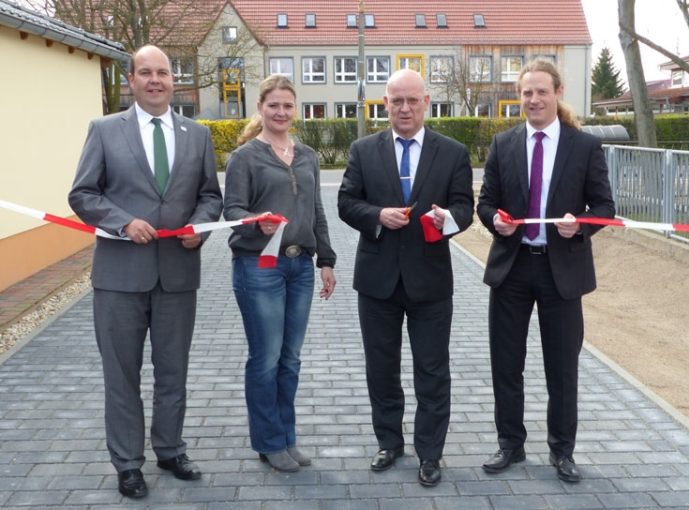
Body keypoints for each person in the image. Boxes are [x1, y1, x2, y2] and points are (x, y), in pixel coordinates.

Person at [68, 45, 223, 498]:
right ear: (130, 80)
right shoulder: (103, 130)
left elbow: (211, 195)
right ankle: (128, 462)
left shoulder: (196, 134)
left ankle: (171, 449)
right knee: (122, 374)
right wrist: (122, 221)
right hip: (119, 276)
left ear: (173, 80)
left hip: (178, 273)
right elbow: (83, 194)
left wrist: (201, 227)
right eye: (146, 73)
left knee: (173, 371)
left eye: (163, 73)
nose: (155, 80)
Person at [477, 59, 615, 483]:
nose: (532, 99)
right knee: (506, 364)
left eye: (540, 91)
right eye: (525, 93)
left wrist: (580, 226)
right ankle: (510, 444)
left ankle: (562, 451)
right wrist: (494, 221)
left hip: (562, 274)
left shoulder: (585, 146)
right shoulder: (504, 144)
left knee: (562, 368)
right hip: (512, 269)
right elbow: (486, 202)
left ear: (557, 92)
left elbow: (605, 208)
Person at [338, 69, 474, 487]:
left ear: (427, 102)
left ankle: (430, 453)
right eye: (396, 100)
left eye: (412, 100)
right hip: (377, 280)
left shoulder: (452, 152)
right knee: (381, 368)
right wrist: (376, 215)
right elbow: (346, 202)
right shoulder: (364, 149)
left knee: (432, 370)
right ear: (385, 103)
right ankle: (389, 442)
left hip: (430, 282)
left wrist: (447, 219)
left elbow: (465, 209)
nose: (404, 108)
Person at [223, 75, 337, 473]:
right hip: (259, 266)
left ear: (296, 109)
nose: (281, 112)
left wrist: (326, 259)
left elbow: (316, 210)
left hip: (299, 265)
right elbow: (232, 212)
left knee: (290, 359)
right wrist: (256, 222)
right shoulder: (245, 157)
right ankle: (269, 441)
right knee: (266, 357)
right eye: (274, 105)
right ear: (260, 108)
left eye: (288, 105)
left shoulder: (307, 155)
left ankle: (286, 437)